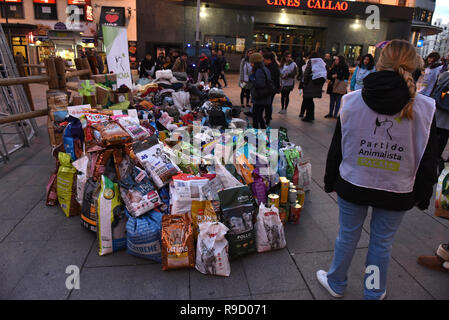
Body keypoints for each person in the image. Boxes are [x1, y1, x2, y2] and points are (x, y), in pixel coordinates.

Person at [320, 39, 438, 300]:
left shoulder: (351, 102)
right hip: (397, 189)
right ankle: (373, 291)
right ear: (414, 65)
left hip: (353, 183)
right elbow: (429, 159)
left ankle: (337, 283)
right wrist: (423, 193)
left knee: (346, 237)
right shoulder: (426, 108)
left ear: (380, 62)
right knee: (381, 243)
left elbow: (337, 148)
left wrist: (330, 181)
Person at [299, 52, 327, 122]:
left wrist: (304, 83)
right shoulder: (321, 62)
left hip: (310, 84)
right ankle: (311, 116)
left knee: (308, 100)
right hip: (317, 84)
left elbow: (306, 73)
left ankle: (309, 116)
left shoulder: (311, 62)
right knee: (310, 100)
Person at [249, 53, 272, 129]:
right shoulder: (264, 68)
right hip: (263, 97)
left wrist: (252, 79)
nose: (250, 64)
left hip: (260, 98)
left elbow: (260, 84)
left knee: (256, 117)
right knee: (259, 116)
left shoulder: (259, 70)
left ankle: (255, 135)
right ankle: (263, 134)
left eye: (251, 62)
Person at [263, 52, 280, 126]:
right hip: (272, 88)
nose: (264, 62)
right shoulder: (273, 65)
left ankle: (267, 118)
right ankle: (268, 117)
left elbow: (271, 79)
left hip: (271, 88)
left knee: (268, 103)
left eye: (264, 60)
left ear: (269, 60)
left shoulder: (272, 67)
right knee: (268, 103)